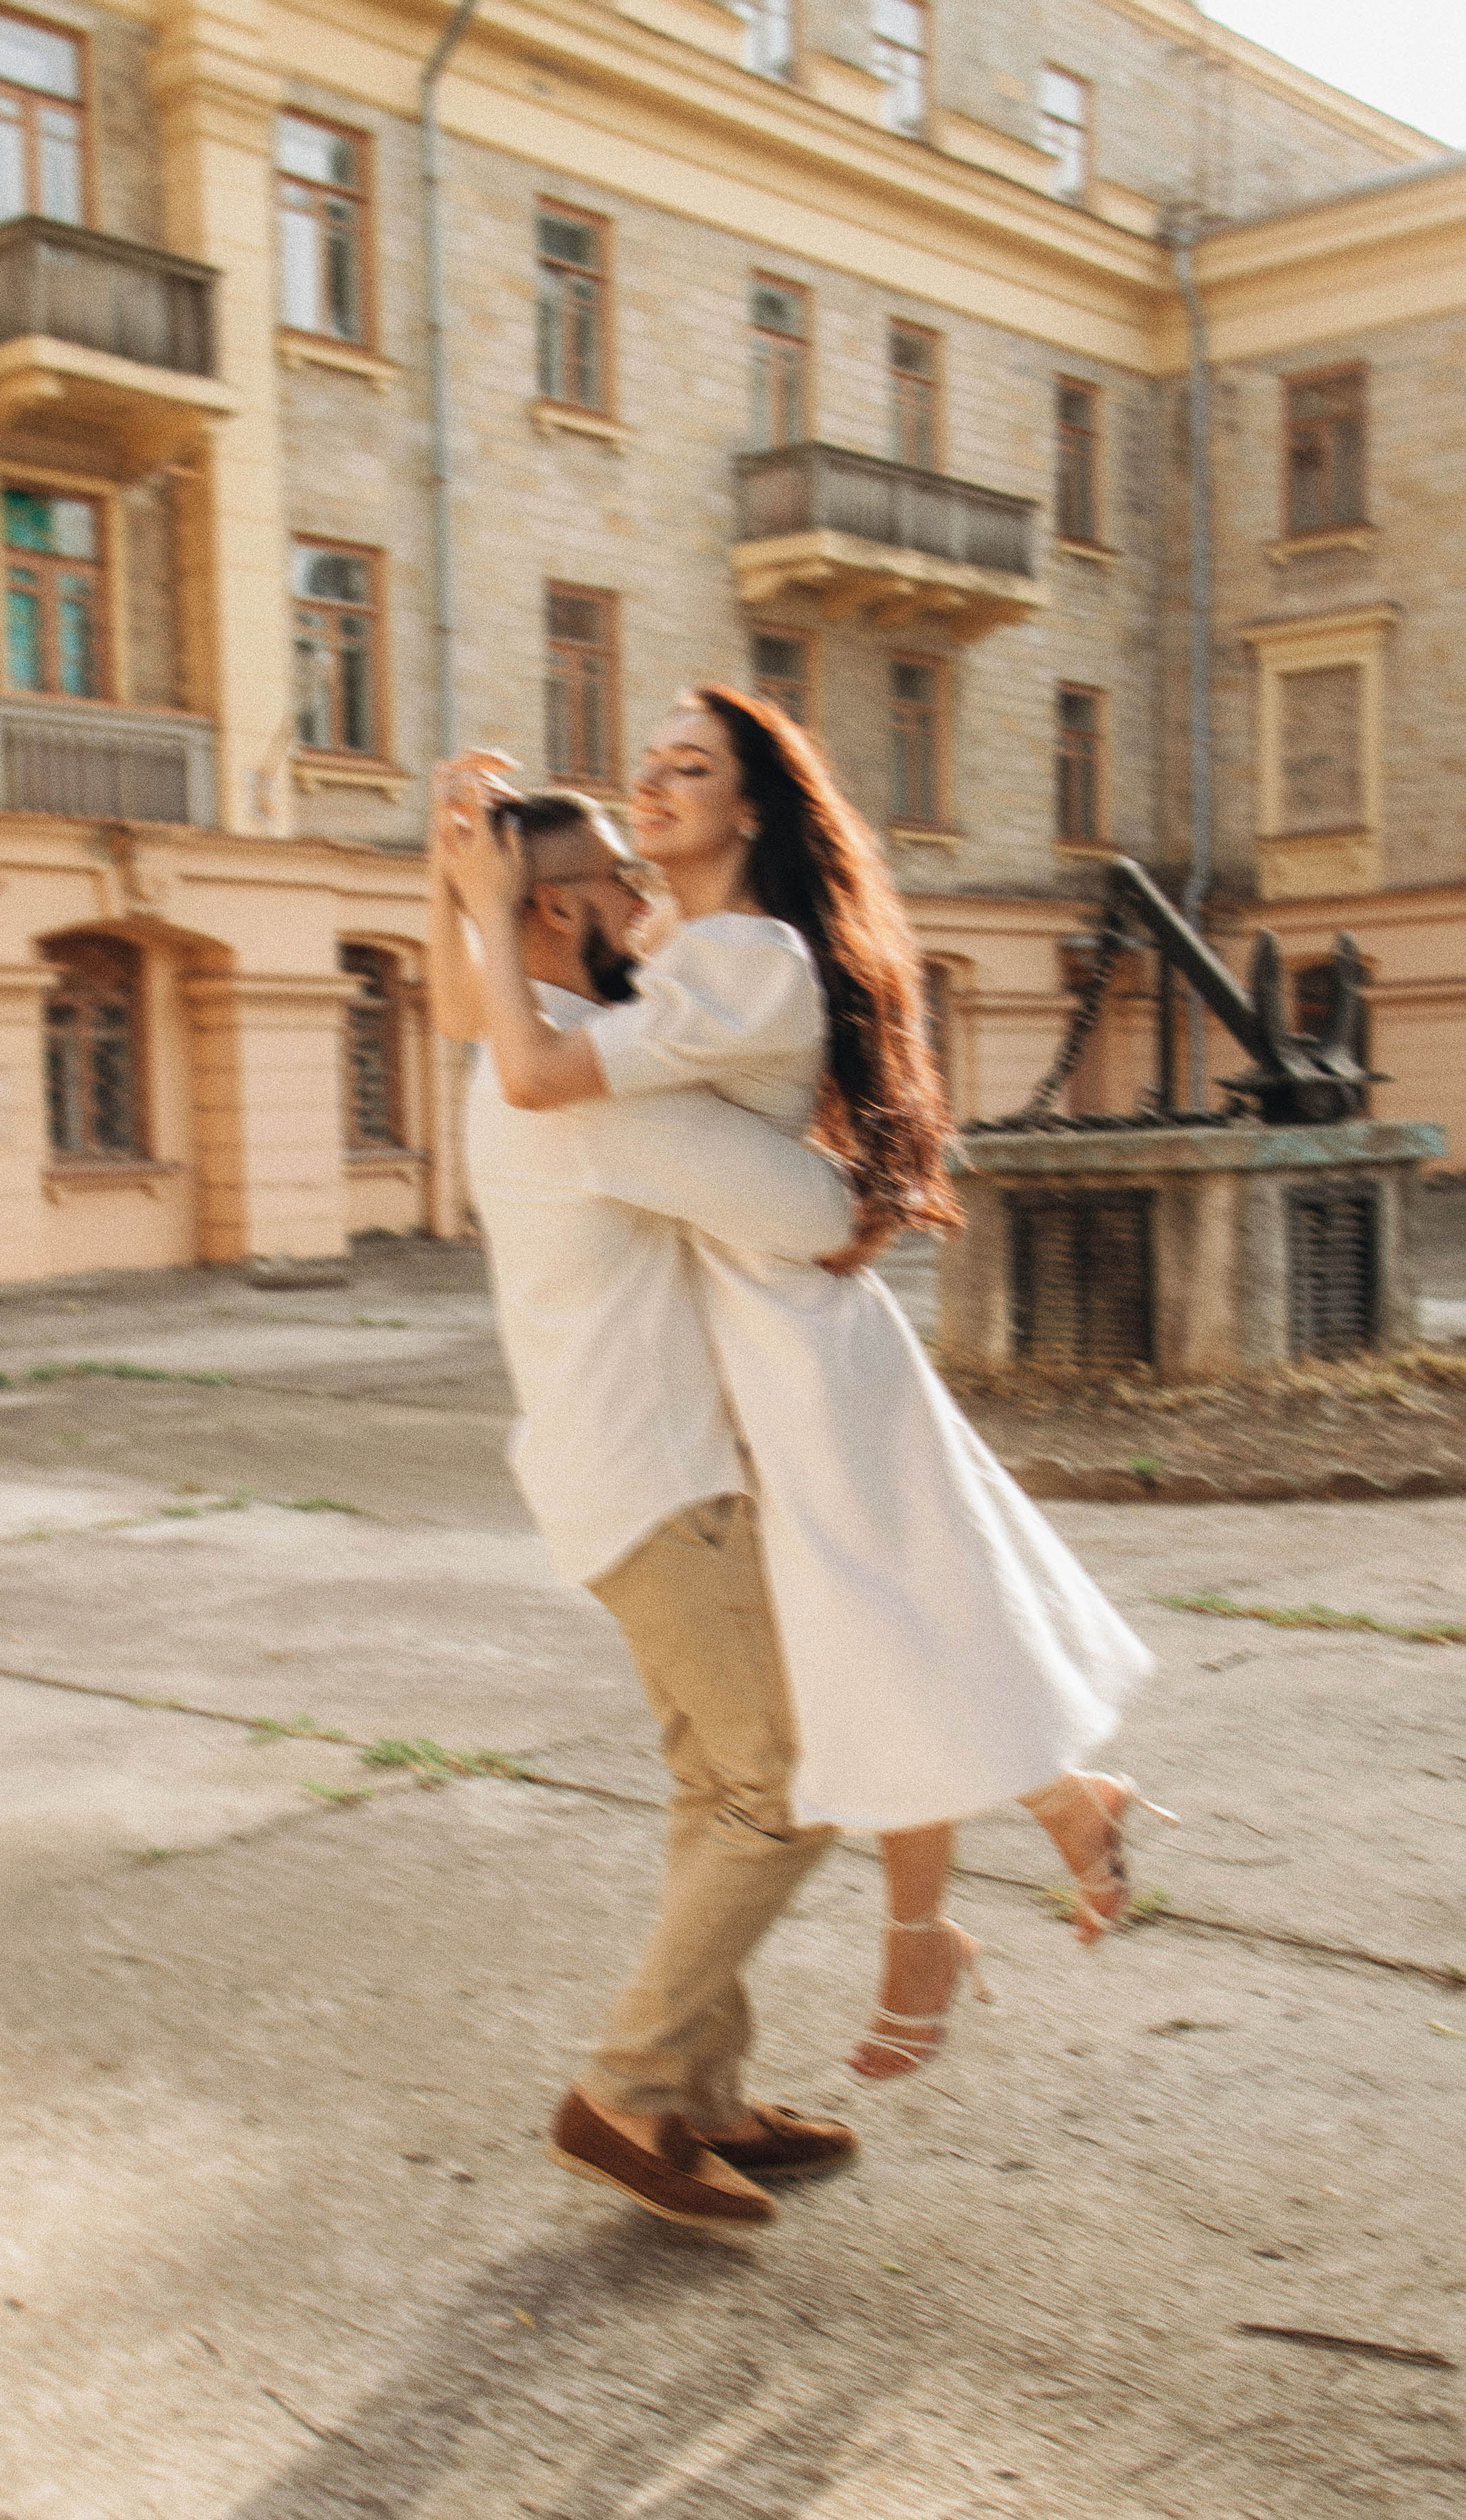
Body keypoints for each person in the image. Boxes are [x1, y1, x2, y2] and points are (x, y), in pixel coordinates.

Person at [442, 690, 1169, 2088]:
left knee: (886, 1634)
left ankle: (963, 1897)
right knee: (876, 1641)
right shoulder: (664, 941)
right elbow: (510, 1002)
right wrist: (461, 874)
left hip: (788, 1325)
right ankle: (1021, 1844)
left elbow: (531, 1066)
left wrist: (483, 898)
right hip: (745, 1323)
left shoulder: (751, 954)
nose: (650, 786)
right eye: (645, 764)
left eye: (688, 769)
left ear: (753, 809)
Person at [428, 776, 880, 2235]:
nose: (651, 898)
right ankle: (624, 2093)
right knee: (784, 1787)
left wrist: (457, 891)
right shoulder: (576, 1088)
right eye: (622, 878)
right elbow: (814, 1223)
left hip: (622, 1479)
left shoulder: (532, 1055)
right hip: (659, 1482)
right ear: (557, 910)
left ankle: (703, 2098)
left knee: (715, 1787)